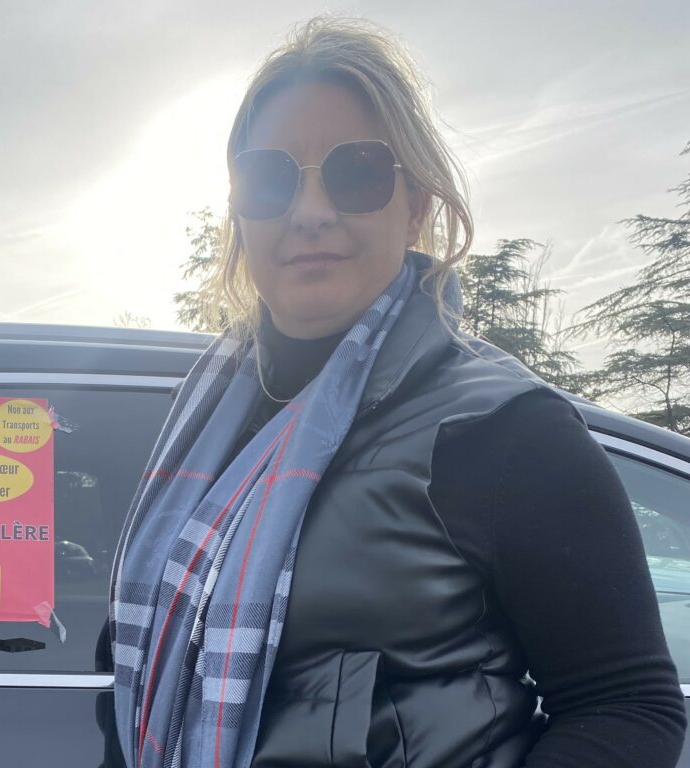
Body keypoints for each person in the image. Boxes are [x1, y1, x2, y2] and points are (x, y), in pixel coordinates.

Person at [101, 17, 686, 768]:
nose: (310, 211)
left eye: (357, 172)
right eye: (270, 178)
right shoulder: (200, 425)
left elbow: (628, 705)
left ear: (415, 206)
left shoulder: (504, 430)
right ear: (240, 214)